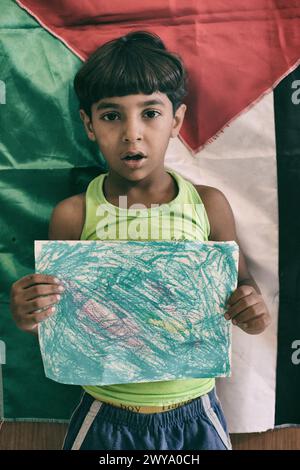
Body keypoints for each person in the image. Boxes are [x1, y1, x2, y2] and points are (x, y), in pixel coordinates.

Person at [10, 30, 271, 450]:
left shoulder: (208, 205)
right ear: (88, 124)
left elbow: (241, 288)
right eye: (112, 116)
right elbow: (54, 320)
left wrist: (252, 311)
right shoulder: (74, 214)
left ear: (177, 121)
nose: (132, 133)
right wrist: (28, 315)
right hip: (103, 412)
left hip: (196, 409)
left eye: (150, 113)